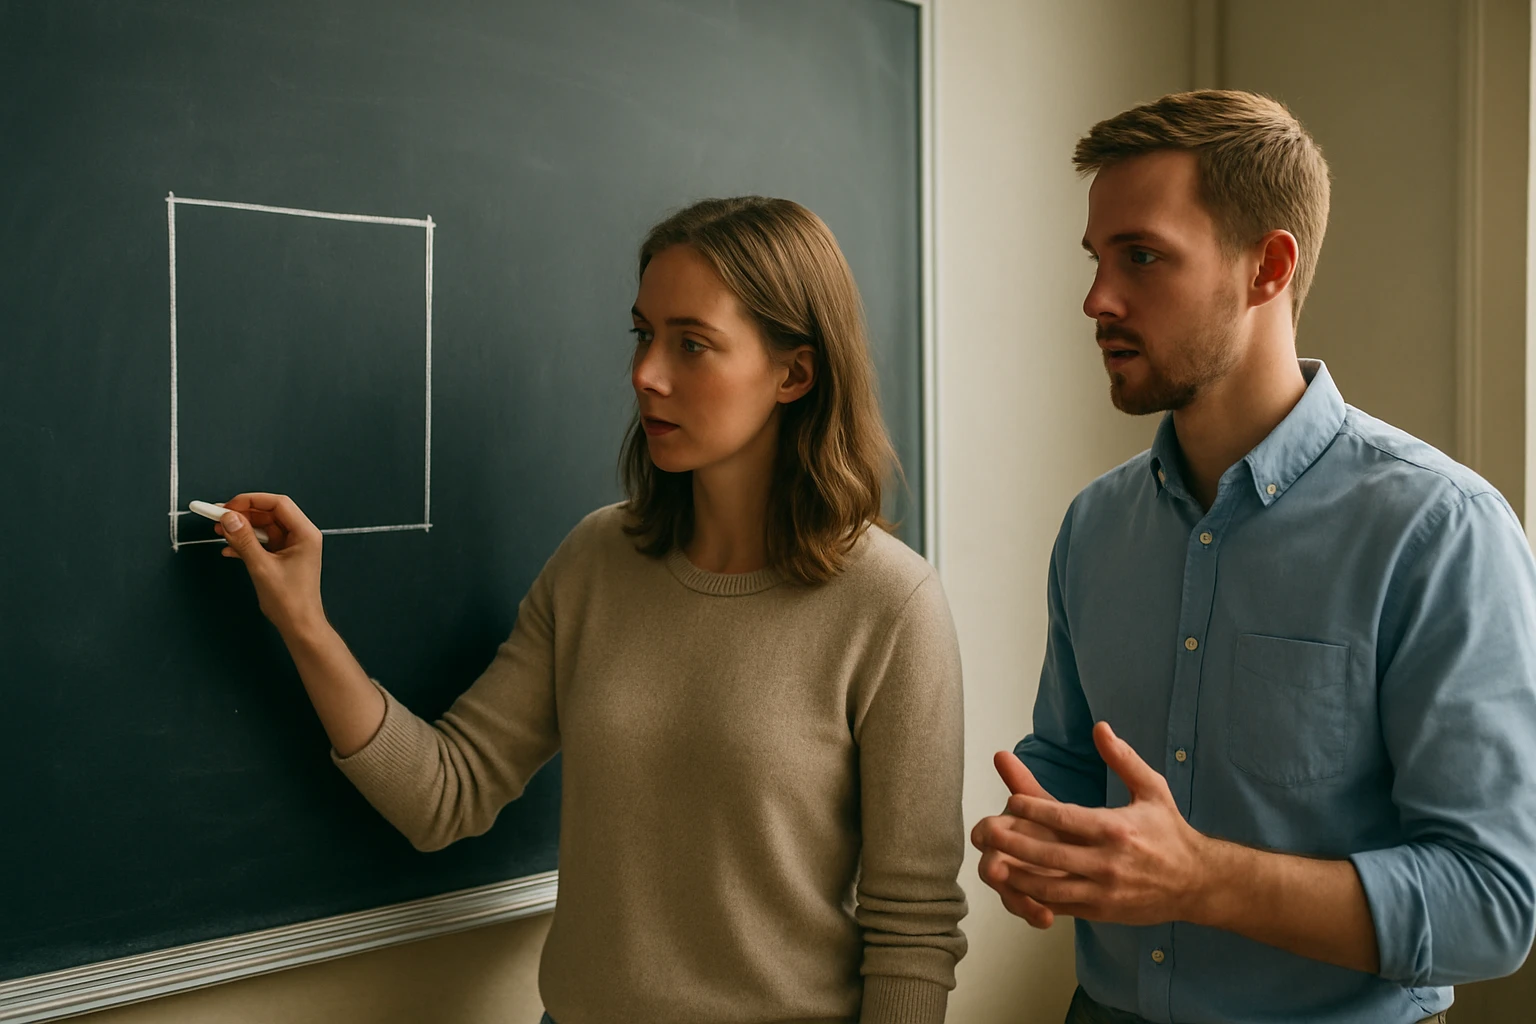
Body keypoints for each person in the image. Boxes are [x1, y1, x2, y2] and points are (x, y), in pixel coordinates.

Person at [214, 197, 967, 1024]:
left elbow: (913, 930)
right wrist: (303, 622)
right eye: (643, 334)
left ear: (794, 374)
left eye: (691, 343)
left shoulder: (889, 604)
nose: (645, 373)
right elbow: (446, 793)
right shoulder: (599, 561)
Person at [971, 90, 1536, 1024]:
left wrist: (1200, 879)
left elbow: (1492, 904)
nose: (1097, 299)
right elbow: (1072, 762)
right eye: (1097, 258)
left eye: (1141, 256)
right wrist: (1035, 834)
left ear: (1269, 267)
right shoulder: (1095, 527)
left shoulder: (1441, 531)